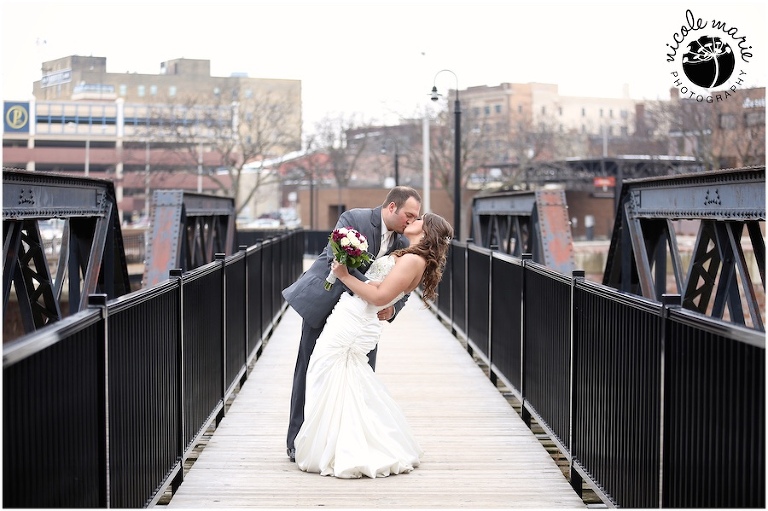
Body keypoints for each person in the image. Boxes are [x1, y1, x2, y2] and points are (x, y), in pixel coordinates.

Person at [294, 212, 454, 478]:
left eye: (418, 220)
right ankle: (334, 442)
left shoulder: (412, 260)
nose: (411, 221)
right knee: (340, 378)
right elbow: (384, 289)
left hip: (356, 321)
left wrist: (344, 275)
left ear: (425, 232)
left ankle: (344, 447)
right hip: (353, 316)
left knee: (326, 370)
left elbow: (380, 296)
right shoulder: (410, 255)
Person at [282, 186, 422, 462]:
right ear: (391, 207)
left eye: (416, 217)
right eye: (409, 215)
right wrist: (373, 288)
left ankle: (349, 442)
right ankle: (297, 440)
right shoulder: (354, 219)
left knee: (360, 376)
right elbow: (335, 259)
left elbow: (405, 284)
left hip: (362, 318)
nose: (412, 221)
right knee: (309, 368)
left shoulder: (403, 243)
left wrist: (392, 306)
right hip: (326, 302)